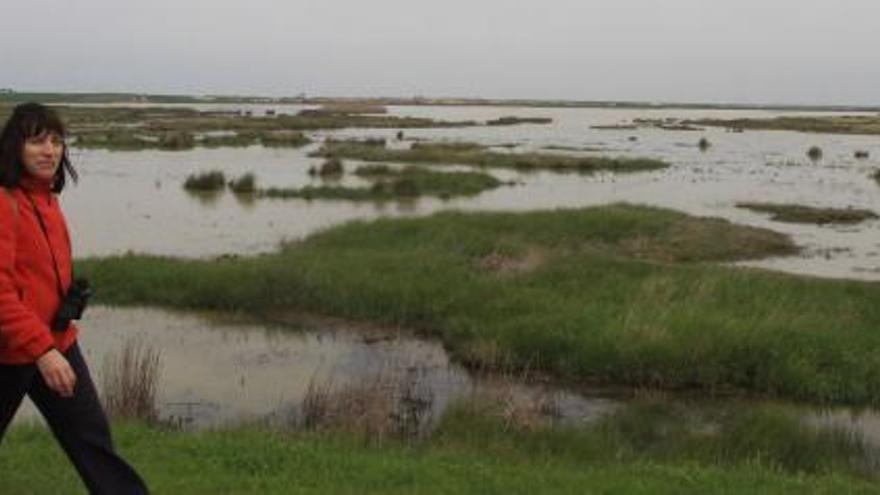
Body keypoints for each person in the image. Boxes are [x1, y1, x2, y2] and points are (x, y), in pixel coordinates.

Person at [0, 103, 149, 494]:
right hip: (11, 352)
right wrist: (41, 350)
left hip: (58, 341)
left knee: (94, 445)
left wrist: (64, 307)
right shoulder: (4, 202)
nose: (50, 151)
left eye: (56, 141)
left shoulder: (48, 200)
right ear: (15, 147)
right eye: (37, 142)